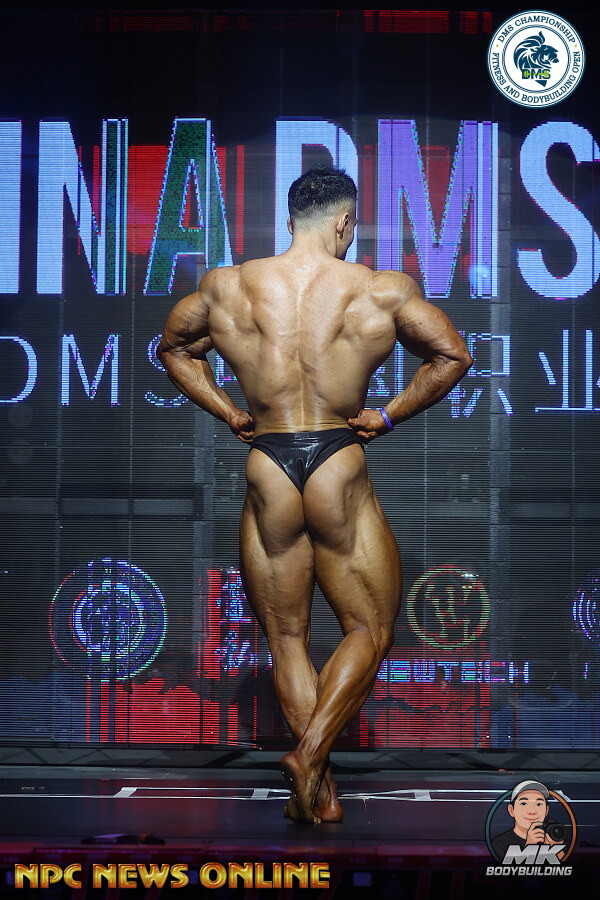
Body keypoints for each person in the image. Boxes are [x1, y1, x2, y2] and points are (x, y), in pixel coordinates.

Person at [158, 166, 472, 823]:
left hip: (268, 461)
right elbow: (452, 356)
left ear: (289, 220)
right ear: (344, 222)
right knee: (370, 628)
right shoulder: (379, 289)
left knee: (287, 637)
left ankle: (316, 794)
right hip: (337, 458)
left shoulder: (227, 287)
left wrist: (229, 411)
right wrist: (386, 416)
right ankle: (310, 762)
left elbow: (175, 349)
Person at [491, 781, 566, 861]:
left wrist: (557, 849)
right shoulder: (499, 844)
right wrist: (529, 846)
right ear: (511, 810)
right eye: (524, 804)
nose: (532, 811)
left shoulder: (553, 837)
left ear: (546, 811)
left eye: (539, 804)